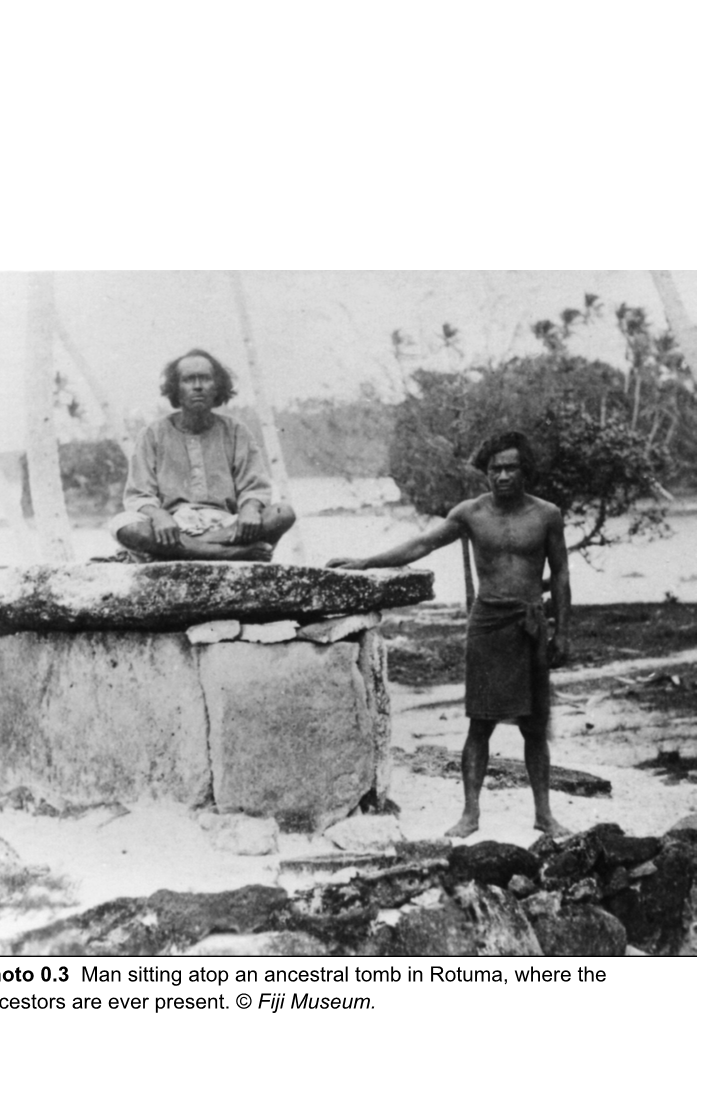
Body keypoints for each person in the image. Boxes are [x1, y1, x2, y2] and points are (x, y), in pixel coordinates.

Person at [328, 431, 572, 839]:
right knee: (480, 724)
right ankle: (470, 815)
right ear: (486, 473)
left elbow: (561, 572)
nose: (504, 476)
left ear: (525, 470)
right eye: (496, 469)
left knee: (534, 725)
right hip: (488, 625)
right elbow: (421, 545)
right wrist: (364, 561)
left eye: (512, 468)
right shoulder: (470, 513)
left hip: (531, 625)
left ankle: (544, 815)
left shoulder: (547, 514)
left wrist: (564, 631)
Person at [110, 349, 296, 561]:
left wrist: (250, 509)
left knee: (283, 513)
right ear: (176, 389)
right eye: (189, 380)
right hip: (172, 528)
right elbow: (139, 494)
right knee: (125, 526)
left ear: (217, 387)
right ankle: (228, 553)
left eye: (205, 379)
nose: (197, 386)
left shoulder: (236, 431)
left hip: (227, 526)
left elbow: (254, 486)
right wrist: (159, 516)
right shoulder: (152, 434)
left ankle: (188, 551)